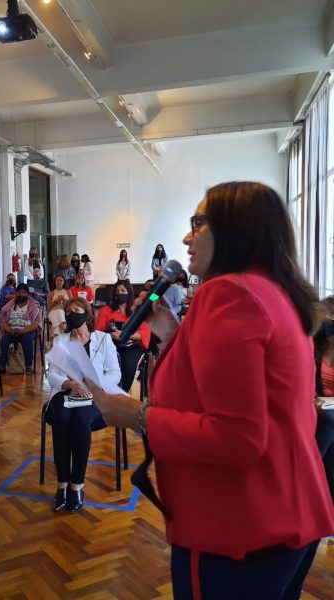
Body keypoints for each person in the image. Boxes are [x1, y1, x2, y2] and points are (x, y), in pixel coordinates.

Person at [85, 182, 334, 599]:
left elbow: (238, 436)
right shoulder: (276, 292)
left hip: (238, 524)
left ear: (236, 229)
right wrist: (172, 334)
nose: (187, 238)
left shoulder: (230, 294)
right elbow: (238, 387)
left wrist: (137, 415)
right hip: (286, 511)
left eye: (198, 223)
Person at [46, 298, 120, 513]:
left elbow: (114, 373)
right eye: (68, 311)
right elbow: (52, 374)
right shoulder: (61, 341)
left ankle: (77, 485)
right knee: (61, 419)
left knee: (80, 420)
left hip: (95, 396)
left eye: (77, 310)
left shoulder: (103, 339)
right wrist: (70, 384)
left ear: (86, 313)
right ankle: (62, 484)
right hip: (65, 392)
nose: (72, 314)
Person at [95, 281, 151, 393]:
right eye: (117, 291)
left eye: (122, 291)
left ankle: (122, 393)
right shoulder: (105, 310)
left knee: (127, 364)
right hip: (110, 345)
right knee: (107, 363)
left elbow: (144, 333)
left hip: (132, 347)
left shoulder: (138, 311)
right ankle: (106, 391)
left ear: (129, 293)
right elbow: (98, 332)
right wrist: (110, 335)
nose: (119, 293)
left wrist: (126, 334)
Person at [313, 298, 334, 502]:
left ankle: (309, 468)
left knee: (329, 420)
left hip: (330, 412)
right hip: (319, 407)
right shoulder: (315, 351)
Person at [0, 283, 42, 374]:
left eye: (23, 292)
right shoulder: (9, 306)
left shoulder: (33, 306)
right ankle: (2, 366)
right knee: (4, 340)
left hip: (28, 330)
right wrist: (10, 330)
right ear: (15, 293)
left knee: (26, 339)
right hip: (12, 330)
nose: (21, 294)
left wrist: (22, 331)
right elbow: (3, 322)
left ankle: (28, 366)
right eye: (19, 292)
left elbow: (36, 324)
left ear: (27, 294)